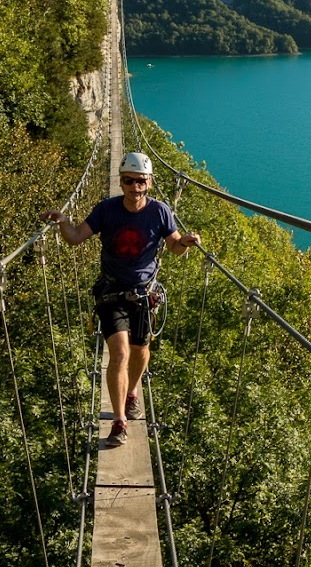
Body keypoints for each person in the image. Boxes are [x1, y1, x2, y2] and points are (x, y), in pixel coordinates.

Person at [40, 153, 201, 447]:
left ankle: (132, 393)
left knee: (140, 351)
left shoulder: (161, 212)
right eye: (129, 180)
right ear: (121, 181)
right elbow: (76, 237)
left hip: (143, 295)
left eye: (140, 181)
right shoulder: (106, 210)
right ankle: (119, 421)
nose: (135, 187)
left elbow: (175, 247)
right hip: (111, 293)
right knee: (120, 354)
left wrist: (186, 244)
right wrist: (63, 222)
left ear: (149, 183)